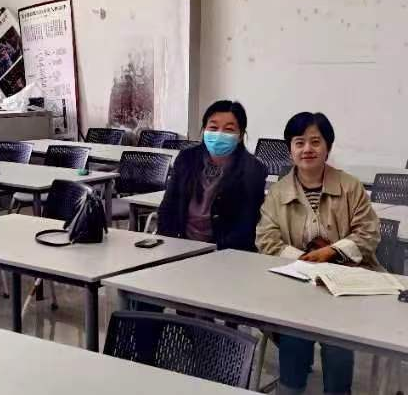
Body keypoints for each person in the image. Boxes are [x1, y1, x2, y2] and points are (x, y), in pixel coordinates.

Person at [256, 112, 381, 395]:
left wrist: (330, 252)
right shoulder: (277, 192)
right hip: (295, 282)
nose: (307, 149)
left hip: (345, 283)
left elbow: (368, 233)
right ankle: (291, 387)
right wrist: (302, 260)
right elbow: (266, 239)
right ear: (290, 149)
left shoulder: (350, 186)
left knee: (337, 344)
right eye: (299, 142)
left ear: (328, 147)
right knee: (293, 337)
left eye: (315, 142)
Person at [157, 100, 268, 250]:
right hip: (181, 245)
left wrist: (214, 253)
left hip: (226, 252)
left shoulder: (253, 169)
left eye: (229, 129)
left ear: (240, 135)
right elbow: (168, 208)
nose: (219, 134)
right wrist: (171, 245)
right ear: (204, 130)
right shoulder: (186, 159)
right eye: (213, 128)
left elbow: (246, 225)